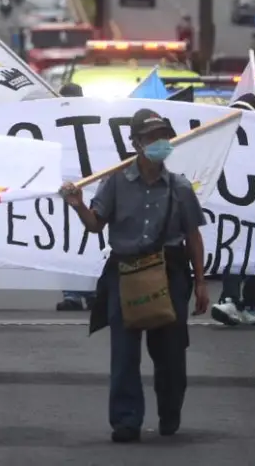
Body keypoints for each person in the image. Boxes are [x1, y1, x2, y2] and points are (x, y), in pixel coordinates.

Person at [59, 109, 209, 443]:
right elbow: (95, 224)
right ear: (137, 143)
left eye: (164, 136)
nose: (160, 143)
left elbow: (193, 237)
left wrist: (200, 282)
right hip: (125, 272)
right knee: (125, 353)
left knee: (170, 354)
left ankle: (170, 412)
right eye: (152, 137)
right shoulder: (114, 182)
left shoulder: (181, 187)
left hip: (169, 273)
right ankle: (126, 421)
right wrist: (79, 205)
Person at [211, 93, 255, 326]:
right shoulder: (224, 140)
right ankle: (230, 300)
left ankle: (250, 306)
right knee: (232, 253)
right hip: (233, 211)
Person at [55, 81, 95, 312]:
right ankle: (81, 293)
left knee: (71, 243)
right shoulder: (53, 122)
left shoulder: (91, 122)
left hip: (81, 192)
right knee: (77, 243)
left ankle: (78, 294)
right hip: (72, 192)